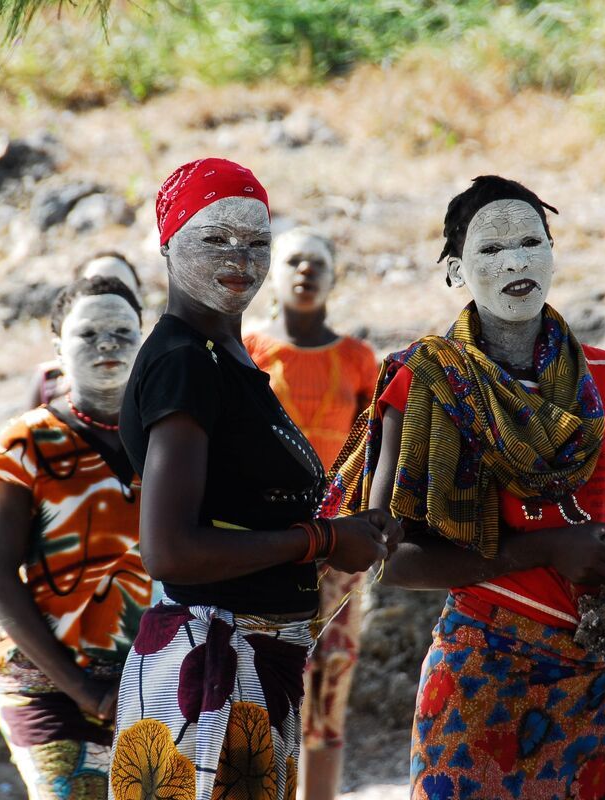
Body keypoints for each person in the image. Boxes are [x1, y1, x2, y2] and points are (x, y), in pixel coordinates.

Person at [324, 176, 605, 798]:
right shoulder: (424, 382)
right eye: (490, 250)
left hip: (595, 681)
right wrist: (546, 549)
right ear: (455, 272)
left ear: (554, 252)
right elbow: (388, 561)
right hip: (480, 682)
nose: (516, 261)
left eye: (532, 241)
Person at [110, 158, 402, 800]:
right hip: (208, 672)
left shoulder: (229, 358)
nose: (239, 256)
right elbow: (170, 550)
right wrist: (323, 541)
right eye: (214, 237)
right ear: (169, 242)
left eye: (256, 241)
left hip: (249, 669)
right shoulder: (186, 361)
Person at [0, 275, 149, 799]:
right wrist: (84, 689)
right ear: (57, 345)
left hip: (153, 680)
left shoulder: (173, 438)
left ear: (145, 339)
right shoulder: (28, 443)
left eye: (123, 332)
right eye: (88, 333)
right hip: (47, 683)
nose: (107, 344)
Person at [244, 227, 376, 800]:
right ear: (273, 274)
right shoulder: (249, 350)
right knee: (263, 681)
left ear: (333, 276)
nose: (305, 270)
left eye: (317, 262)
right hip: (264, 542)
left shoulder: (357, 359)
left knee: (329, 682)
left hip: (339, 543)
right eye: (293, 260)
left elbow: (373, 449)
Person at [28, 252, 145, 409]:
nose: (109, 294)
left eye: (123, 287)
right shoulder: (49, 380)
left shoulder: (166, 370)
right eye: (96, 285)